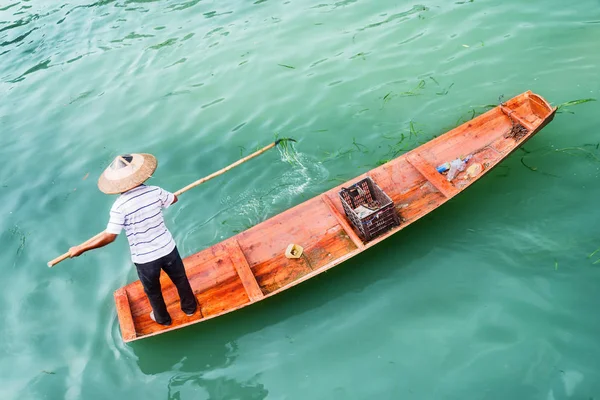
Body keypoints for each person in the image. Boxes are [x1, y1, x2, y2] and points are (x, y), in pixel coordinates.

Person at [68, 153, 197, 326]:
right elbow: (174, 199)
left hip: (145, 259)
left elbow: (110, 236)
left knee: (153, 291)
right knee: (180, 279)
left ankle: (163, 319)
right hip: (168, 249)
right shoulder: (155, 191)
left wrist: (81, 249)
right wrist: (161, 200)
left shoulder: (119, 207)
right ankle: (190, 309)